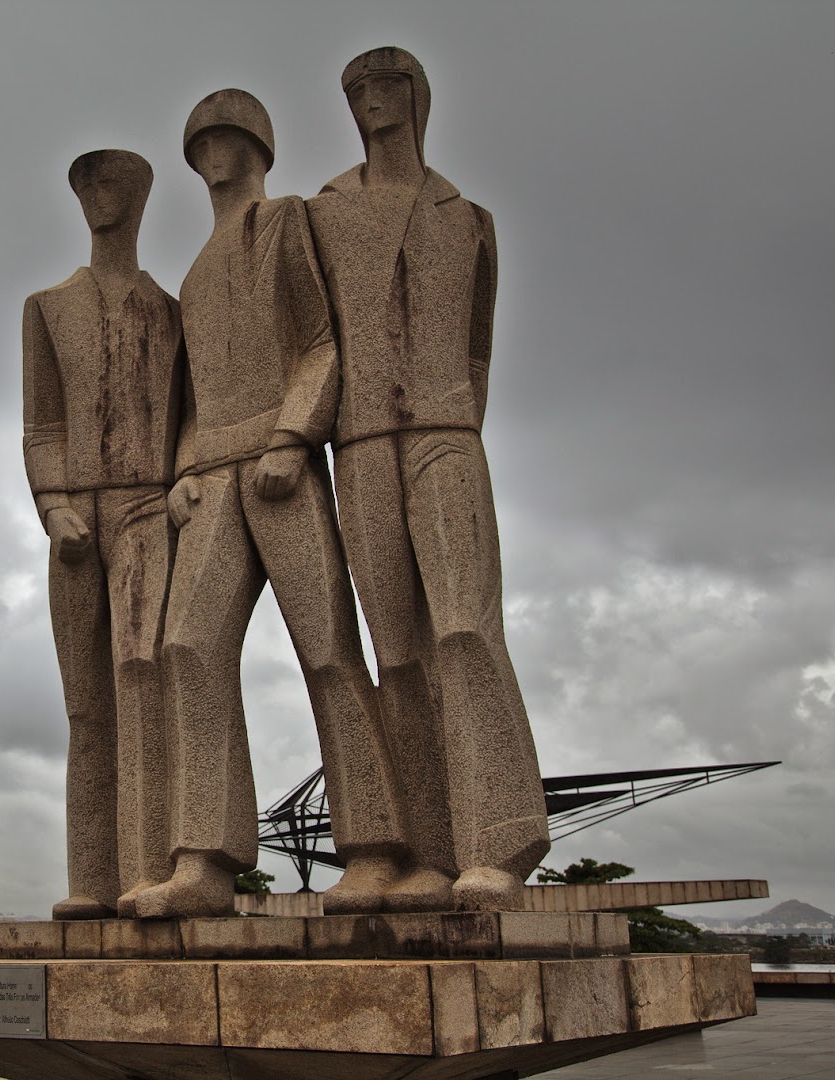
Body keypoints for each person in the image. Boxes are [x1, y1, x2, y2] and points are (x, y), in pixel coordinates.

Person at [134, 88, 393, 920]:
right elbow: (193, 399)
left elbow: (321, 345)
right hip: (213, 475)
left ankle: (377, 845)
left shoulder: (284, 222)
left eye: (228, 137)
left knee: (325, 646)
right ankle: (205, 860)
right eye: (201, 141)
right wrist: (179, 467)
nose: (215, 154)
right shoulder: (195, 272)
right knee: (186, 646)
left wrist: (292, 436)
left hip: (280, 463)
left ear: (258, 145)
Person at [305, 46, 549, 912]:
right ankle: (429, 853)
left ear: (419, 96)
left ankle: (500, 839)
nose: (373, 100)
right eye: (357, 89)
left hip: (445, 432)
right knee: (397, 650)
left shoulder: (467, 218)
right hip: (360, 442)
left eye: (388, 83)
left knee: (465, 631)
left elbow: (477, 349)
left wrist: (449, 414)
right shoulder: (322, 214)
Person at [23, 147, 185, 920]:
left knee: (140, 677)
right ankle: (91, 878)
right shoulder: (48, 307)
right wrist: (54, 505)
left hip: (148, 507)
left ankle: (149, 868)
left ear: (142, 196)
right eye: (84, 183)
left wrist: (178, 482)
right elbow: (41, 425)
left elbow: (190, 416)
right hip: (75, 516)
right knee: (85, 705)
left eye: (110, 182)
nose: (97, 195)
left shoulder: (169, 310)